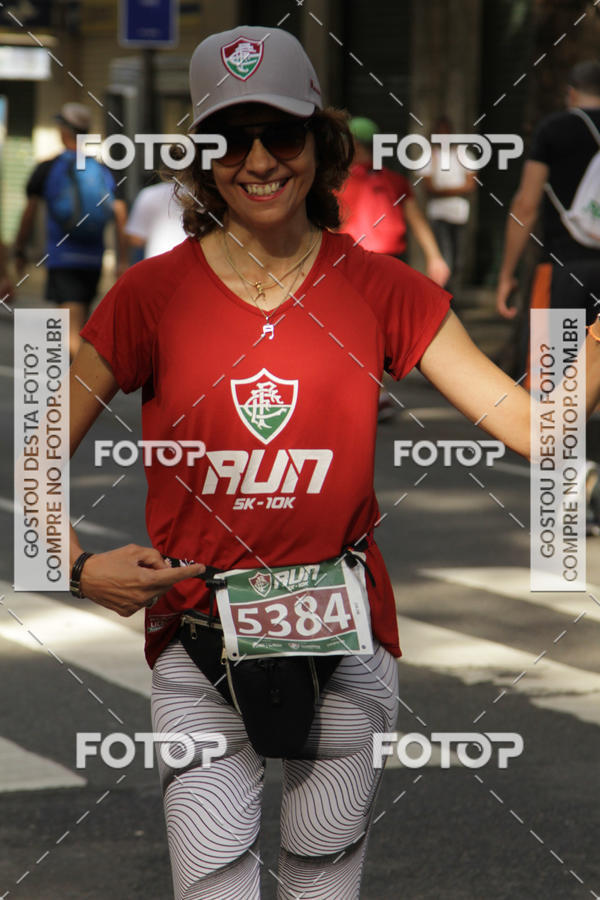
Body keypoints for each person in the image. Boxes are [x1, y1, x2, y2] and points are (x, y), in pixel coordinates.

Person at [67, 27, 600, 899]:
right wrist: (81, 569)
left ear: (320, 141)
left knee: (323, 886)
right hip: (195, 647)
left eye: (279, 132)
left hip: (347, 645)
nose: (256, 160)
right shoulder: (146, 297)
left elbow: (539, 433)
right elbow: (34, 453)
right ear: (199, 156)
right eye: (226, 137)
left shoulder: (386, 290)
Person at [496, 60, 600, 532]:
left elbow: (526, 203)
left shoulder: (557, 129)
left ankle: (566, 501)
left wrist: (506, 274)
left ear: (571, 92)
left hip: (566, 272)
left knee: (560, 385)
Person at [13, 102, 128, 358]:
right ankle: (80, 386)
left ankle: (78, 389)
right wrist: (122, 259)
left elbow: (29, 213)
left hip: (62, 257)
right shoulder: (103, 170)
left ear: (64, 130)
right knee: (81, 324)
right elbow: (120, 213)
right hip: (94, 258)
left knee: (70, 334)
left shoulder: (48, 167)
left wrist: (19, 250)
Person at [337, 115, 450, 287]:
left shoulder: (339, 184)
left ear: (354, 146)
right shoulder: (396, 180)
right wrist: (435, 257)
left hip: (354, 264)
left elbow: (330, 226)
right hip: (392, 263)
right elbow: (417, 220)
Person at [421, 114, 477, 287]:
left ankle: (451, 295)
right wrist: (457, 189)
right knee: (445, 259)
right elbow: (429, 188)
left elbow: (471, 185)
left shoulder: (463, 154)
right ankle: (444, 297)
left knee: (458, 260)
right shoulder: (429, 156)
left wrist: (443, 190)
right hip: (438, 215)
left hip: (459, 215)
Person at [125, 180, 186, 259]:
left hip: (156, 262)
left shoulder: (149, 194)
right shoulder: (200, 196)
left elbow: (135, 238)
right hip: (191, 265)